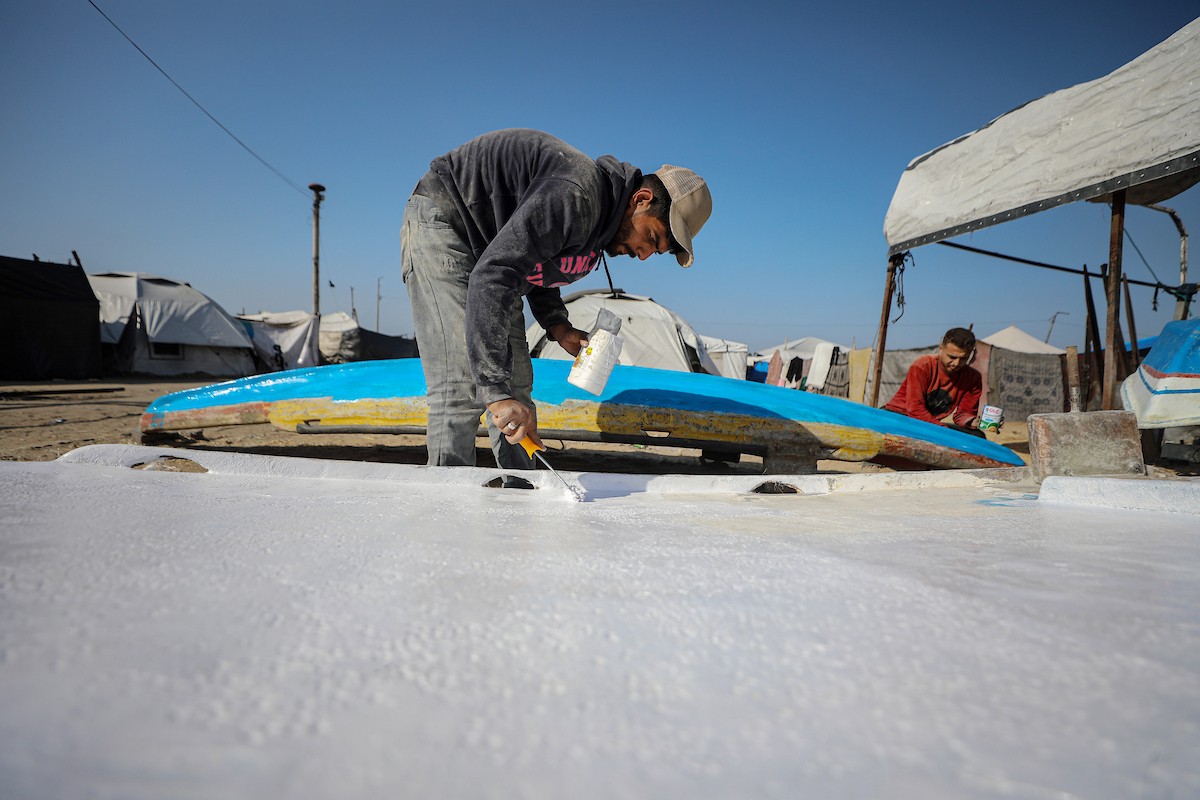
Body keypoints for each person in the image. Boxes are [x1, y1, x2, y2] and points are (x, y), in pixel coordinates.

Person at [400, 129, 713, 468]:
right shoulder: (576, 195)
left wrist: (557, 325)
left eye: (656, 251)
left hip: (492, 258)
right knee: (463, 388)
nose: (644, 254)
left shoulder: (598, 225)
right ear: (641, 200)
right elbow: (495, 273)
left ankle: (520, 498)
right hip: (449, 222)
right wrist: (494, 391)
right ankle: (448, 511)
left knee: (517, 388)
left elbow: (534, 259)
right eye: (651, 237)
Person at [884, 327, 986, 436]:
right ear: (941, 348)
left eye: (963, 358)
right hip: (898, 417)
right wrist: (942, 430)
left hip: (928, 424)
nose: (956, 363)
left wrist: (973, 422)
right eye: (952, 357)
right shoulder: (922, 366)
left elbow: (963, 415)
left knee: (977, 435)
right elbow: (915, 410)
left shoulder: (973, 378)